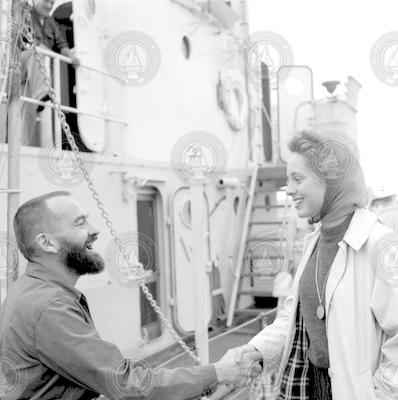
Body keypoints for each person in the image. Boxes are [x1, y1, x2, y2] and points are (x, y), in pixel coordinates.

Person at [0, 191, 262, 400]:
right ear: (47, 243)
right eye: (80, 223)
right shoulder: (50, 307)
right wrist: (216, 373)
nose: (94, 230)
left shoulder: (29, 290)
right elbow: (125, 383)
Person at [233, 130, 398, 399]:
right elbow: (292, 318)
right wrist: (255, 350)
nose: (289, 190)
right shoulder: (315, 242)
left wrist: (379, 394)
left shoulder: (379, 245)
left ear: (332, 180)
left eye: (298, 178)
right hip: (310, 384)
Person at [20, 0, 80, 146]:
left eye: (52, 3)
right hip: (19, 64)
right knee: (36, 53)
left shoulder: (50, 22)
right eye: (46, 1)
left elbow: (62, 44)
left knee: (28, 109)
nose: (49, 6)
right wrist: (51, 54)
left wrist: (72, 57)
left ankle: (23, 146)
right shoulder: (26, 14)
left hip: (33, 74)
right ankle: (42, 94)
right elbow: (29, 43)